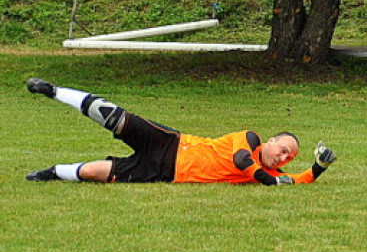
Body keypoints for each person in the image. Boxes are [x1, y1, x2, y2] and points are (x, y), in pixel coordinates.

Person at [24, 78, 336, 185]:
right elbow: (242, 161)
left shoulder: (269, 173)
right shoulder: (250, 139)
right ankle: (54, 91)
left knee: (94, 172)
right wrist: (271, 181)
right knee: (112, 115)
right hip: (171, 144)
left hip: (164, 172)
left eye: (289, 157)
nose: (283, 157)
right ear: (270, 141)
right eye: (283, 149)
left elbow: (299, 180)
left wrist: (318, 167)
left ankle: (51, 173)